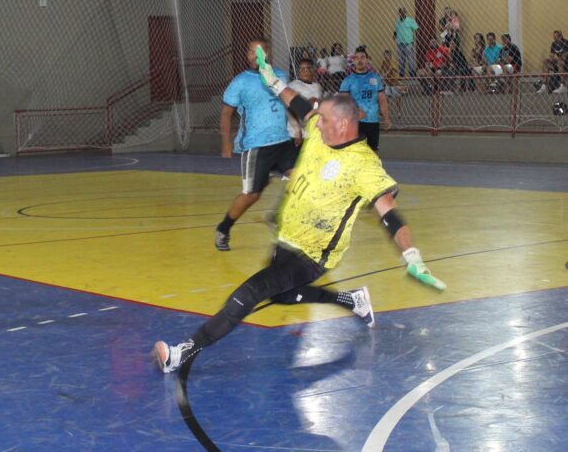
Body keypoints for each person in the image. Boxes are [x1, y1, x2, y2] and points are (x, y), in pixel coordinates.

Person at [153, 81, 446, 374]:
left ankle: (182, 353)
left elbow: (389, 213)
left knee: (252, 291)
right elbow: (299, 105)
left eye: (325, 121)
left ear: (343, 124)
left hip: (314, 253)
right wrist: (272, 78)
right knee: (281, 295)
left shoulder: (363, 165)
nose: (317, 125)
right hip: (287, 239)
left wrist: (412, 256)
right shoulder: (322, 130)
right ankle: (352, 300)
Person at [215, 39, 295, 252]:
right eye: (251, 51)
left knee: (300, 180)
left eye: (258, 52)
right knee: (252, 194)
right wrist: (226, 143)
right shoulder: (240, 82)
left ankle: (277, 216)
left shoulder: (280, 75)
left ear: (267, 53)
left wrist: (295, 125)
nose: (254, 55)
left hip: (283, 141)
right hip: (257, 146)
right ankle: (224, 228)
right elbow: (226, 113)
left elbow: (287, 102)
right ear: (247, 55)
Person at [339, 46, 391, 151]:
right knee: (356, 152)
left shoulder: (375, 78)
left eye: (362, 57)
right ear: (353, 61)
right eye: (357, 58)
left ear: (367, 60)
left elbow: (382, 99)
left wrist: (386, 118)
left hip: (372, 121)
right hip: (355, 122)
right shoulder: (348, 80)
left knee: (373, 152)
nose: (360, 60)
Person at [286, 58, 323, 150]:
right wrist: (297, 130)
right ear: (298, 71)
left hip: (312, 131)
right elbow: (289, 108)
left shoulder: (317, 87)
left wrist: (317, 104)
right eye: (302, 69)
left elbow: (317, 106)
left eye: (308, 68)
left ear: (313, 70)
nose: (305, 72)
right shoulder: (293, 86)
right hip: (296, 132)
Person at [394, 7, 419, 78]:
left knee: (411, 59)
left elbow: (417, 29)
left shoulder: (410, 20)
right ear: (399, 13)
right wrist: (394, 35)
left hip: (409, 43)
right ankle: (401, 74)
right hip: (400, 44)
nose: (402, 13)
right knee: (401, 60)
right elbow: (396, 30)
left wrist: (415, 39)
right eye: (400, 12)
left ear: (406, 13)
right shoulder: (397, 21)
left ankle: (412, 74)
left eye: (403, 12)